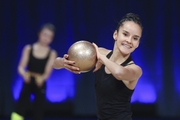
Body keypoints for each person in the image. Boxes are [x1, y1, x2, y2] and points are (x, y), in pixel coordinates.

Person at [53, 13, 143, 120]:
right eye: (125, 34)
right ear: (115, 35)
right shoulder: (101, 53)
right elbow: (54, 63)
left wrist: (102, 59)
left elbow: (119, 73)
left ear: (137, 43)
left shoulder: (135, 69)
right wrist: (63, 62)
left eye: (135, 38)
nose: (129, 40)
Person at [11, 23, 57, 120]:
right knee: (21, 105)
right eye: (45, 34)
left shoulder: (52, 53)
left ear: (52, 39)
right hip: (28, 79)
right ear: (39, 34)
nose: (46, 38)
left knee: (39, 108)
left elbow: (47, 72)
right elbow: (20, 67)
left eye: (49, 36)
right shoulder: (29, 49)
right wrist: (24, 74)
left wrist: (42, 78)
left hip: (40, 81)